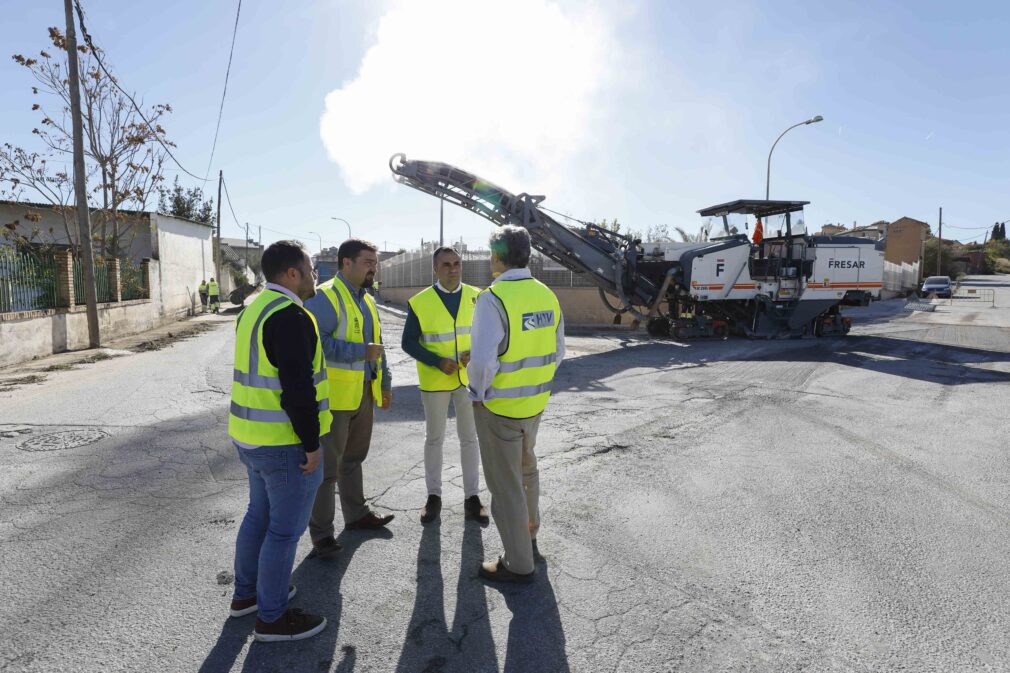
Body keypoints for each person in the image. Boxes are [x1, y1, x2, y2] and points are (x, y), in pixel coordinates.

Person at [227, 240, 332, 642]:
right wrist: (311, 444)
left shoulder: (252, 309)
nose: (314, 274)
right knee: (284, 532)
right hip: (283, 443)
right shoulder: (291, 316)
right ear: (292, 273)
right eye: (310, 267)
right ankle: (271, 617)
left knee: (259, 516)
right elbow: (298, 391)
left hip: (250, 438)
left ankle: (247, 596)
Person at [467, 225, 565, 583]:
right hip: (534, 405)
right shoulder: (547, 295)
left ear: (496, 256)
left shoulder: (492, 298)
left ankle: (518, 563)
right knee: (527, 473)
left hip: (500, 408)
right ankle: (530, 532)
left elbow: (482, 363)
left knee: (505, 486)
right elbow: (558, 352)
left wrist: (477, 394)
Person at [305, 238, 394, 558]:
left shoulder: (367, 300)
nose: (374, 267)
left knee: (354, 460)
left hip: (363, 395)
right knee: (328, 471)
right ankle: (322, 536)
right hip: (334, 400)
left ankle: (356, 516)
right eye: (368, 261)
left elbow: (378, 345)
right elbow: (315, 344)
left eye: (376, 262)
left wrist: (385, 381)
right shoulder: (325, 297)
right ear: (346, 263)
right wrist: (361, 353)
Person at [402, 246, 489, 525]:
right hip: (435, 380)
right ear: (435, 269)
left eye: (457, 263)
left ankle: (472, 497)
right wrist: (436, 361)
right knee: (434, 439)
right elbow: (408, 342)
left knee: (470, 438)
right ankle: (434, 496)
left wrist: (474, 353)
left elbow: (489, 336)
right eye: (446, 265)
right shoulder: (420, 301)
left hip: (468, 379)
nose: (453, 269)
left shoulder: (480, 297)